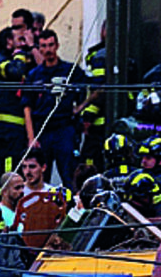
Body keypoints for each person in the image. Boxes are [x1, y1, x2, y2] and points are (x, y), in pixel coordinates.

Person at [23, 29, 86, 186]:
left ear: (57, 45)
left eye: (51, 45)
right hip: (42, 130)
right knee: (40, 177)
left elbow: (90, 91)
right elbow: (27, 107)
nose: (48, 50)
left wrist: (80, 108)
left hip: (64, 128)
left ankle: (71, 208)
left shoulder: (71, 71)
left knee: (69, 175)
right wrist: (31, 138)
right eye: (43, 46)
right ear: (39, 48)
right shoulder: (34, 75)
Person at [0, 26, 33, 176]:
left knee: (14, 165)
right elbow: (16, 72)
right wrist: (19, 55)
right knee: (8, 167)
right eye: (19, 40)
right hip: (7, 128)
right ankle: (4, 195)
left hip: (13, 128)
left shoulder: (3, 61)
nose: (22, 44)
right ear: (8, 42)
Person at [80, 22, 108, 169]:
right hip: (104, 120)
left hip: (98, 123)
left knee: (89, 162)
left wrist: (87, 116)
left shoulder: (100, 56)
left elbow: (99, 91)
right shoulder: (95, 54)